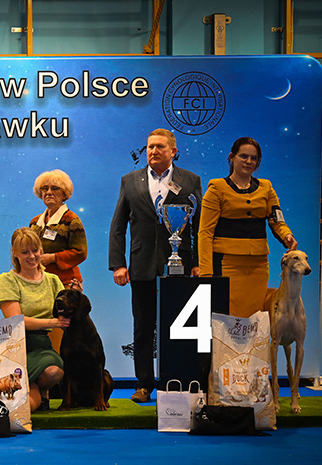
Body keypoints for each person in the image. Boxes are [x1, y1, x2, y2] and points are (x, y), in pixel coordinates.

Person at [109, 128, 202, 403]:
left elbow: (198, 226)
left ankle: (178, 382)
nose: (153, 151)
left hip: (180, 265)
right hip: (142, 265)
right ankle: (144, 385)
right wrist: (118, 264)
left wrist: (199, 263)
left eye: (160, 146)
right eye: (150, 146)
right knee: (143, 328)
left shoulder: (191, 180)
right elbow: (118, 226)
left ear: (173, 151)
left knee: (181, 328)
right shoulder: (129, 181)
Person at [199, 137, 296, 317]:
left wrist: (286, 236)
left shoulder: (266, 187)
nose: (249, 161)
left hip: (258, 265)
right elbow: (205, 233)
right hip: (226, 264)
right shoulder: (216, 188)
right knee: (228, 318)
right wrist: (206, 273)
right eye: (243, 156)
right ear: (232, 157)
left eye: (254, 158)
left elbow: (277, 220)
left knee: (256, 316)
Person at [0, 228, 68, 412]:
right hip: (15, 347)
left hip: (42, 346)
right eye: (25, 252)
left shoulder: (53, 280)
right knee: (31, 398)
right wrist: (53, 323)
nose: (32, 256)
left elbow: (66, 313)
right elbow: (17, 321)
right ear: (14, 253)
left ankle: (36, 392)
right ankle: (38, 396)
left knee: (54, 371)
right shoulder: (6, 280)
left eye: (35, 250)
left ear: (41, 250)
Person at [28, 169, 87, 289]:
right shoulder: (34, 222)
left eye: (55, 188)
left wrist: (53, 258)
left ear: (64, 193)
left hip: (65, 283)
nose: (49, 192)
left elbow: (80, 252)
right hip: (39, 283)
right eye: (45, 188)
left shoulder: (72, 220)